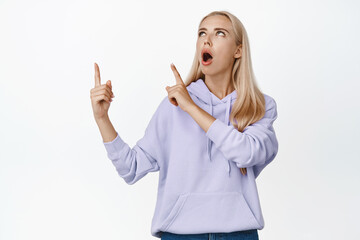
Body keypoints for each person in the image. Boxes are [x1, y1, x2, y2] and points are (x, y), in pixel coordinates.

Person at [90, 10, 278, 240]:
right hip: (180, 234)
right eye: (202, 33)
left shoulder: (259, 106)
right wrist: (102, 118)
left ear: (238, 50)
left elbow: (247, 152)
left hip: (238, 234)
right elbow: (131, 168)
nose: (206, 40)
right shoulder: (173, 105)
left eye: (220, 33)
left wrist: (191, 108)